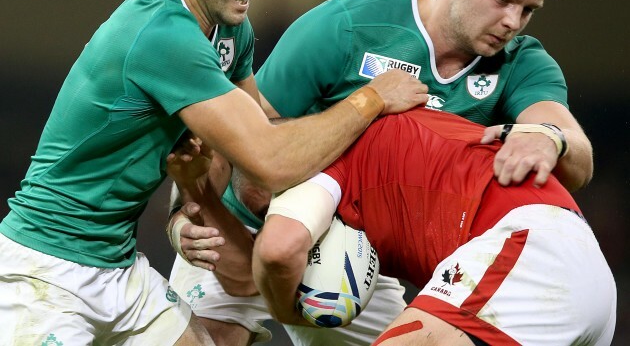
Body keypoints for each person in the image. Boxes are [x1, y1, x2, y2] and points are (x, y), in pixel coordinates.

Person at [0, 0, 425, 346]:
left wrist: (186, 212)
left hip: (118, 265)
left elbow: (244, 150)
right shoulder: (161, 34)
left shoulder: (229, 29)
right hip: (45, 269)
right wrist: (370, 99)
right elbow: (269, 160)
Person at [167, 0, 595, 345]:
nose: (512, 22)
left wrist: (549, 138)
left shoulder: (521, 62)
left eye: (527, 10)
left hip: (350, 250)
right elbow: (241, 137)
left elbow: (573, 151)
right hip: (243, 229)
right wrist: (183, 216)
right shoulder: (349, 24)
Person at [252, 108, 617, 345]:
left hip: (530, 252)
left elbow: (279, 248)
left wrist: (282, 309)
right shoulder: (389, 143)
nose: (271, 215)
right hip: (576, 271)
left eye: (267, 209)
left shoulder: (313, 165)